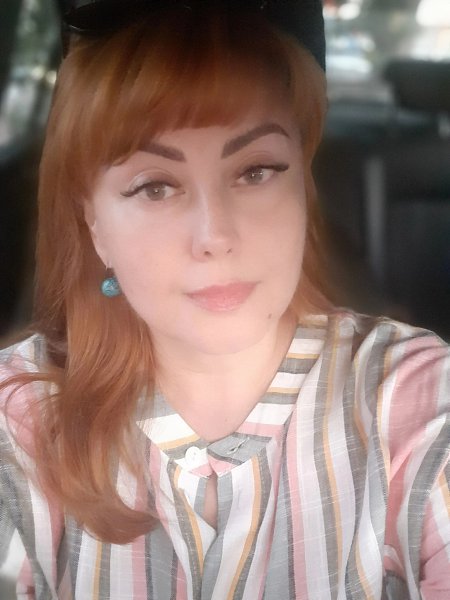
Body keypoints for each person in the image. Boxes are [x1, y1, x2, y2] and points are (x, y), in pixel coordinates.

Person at [0, 0, 448, 598]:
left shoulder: (411, 397)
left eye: (256, 171)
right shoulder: (21, 417)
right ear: (94, 226)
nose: (216, 236)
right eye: (155, 187)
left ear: (303, 186)